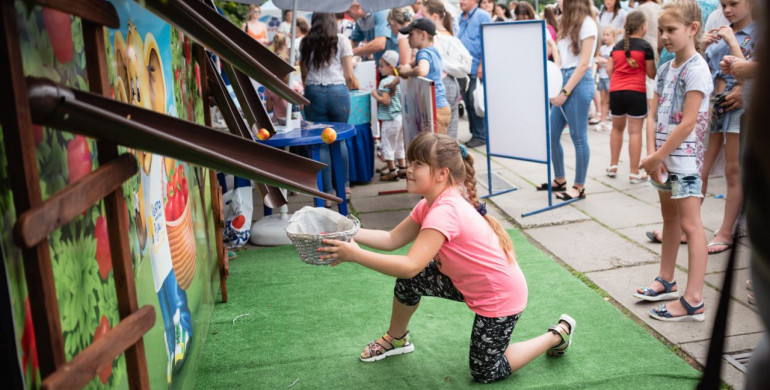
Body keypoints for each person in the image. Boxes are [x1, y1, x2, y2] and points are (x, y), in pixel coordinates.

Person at [318, 132, 576, 384]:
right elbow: (391, 240)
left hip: (498, 296)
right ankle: (396, 339)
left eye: (418, 164)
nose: (409, 169)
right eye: (410, 162)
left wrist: (356, 255)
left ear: (442, 173)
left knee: (485, 371)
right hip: (467, 283)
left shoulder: (445, 211)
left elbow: (409, 266)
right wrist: (349, 231)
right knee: (413, 280)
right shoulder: (429, 203)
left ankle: (557, 335)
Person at [636, 0, 713, 322]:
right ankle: (666, 278)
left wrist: (657, 155)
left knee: (692, 226)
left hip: (684, 163)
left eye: (672, 30)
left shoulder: (697, 69)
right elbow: (655, 112)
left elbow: (688, 122)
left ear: (692, 29)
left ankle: (693, 298)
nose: (664, 36)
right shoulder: (667, 68)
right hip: (664, 162)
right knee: (669, 219)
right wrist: (654, 155)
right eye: (662, 30)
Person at [700, 0, 755, 255]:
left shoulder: (757, 31)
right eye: (724, 4)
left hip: (740, 107)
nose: (727, 9)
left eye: (734, 3)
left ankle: (726, 231)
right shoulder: (720, 29)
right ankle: (686, 224)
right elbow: (706, 70)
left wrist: (732, 41)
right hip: (715, 105)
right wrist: (701, 47)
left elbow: (750, 73)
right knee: (700, 166)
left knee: (734, 171)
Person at [536, 0, 597, 201]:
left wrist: (564, 91)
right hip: (564, 79)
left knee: (578, 137)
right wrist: (556, 86)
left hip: (578, 83)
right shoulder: (566, 22)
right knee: (551, 134)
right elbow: (561, 58)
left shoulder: (587, 23)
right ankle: (560, 179)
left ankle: (579, 186)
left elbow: (584, 64)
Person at [299, 13, 358, 203]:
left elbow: (304, 73)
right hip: (338, 92)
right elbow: (349, 75)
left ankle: (327, 192)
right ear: (332, 21)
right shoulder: (341, 40)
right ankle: (345, 187)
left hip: (314, 91)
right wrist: (348, 89)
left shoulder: (305, 42)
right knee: (339, 140)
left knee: (321, 141)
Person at [606, 11, 656, 183]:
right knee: (634, 132)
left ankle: (613, 165)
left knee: (616, 129)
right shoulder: (645, 47)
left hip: (616, 92)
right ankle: (634, 173)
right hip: (636, 92)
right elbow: (651, 74)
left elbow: (609, 70)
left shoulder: (616, 46)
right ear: (643, 27)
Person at [422, 0, 472, 140]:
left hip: (443, 84)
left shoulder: (436, 38)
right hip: (453, 83)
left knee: (441, 136)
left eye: (423, 14)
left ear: (434, 16)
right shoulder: (449, 35)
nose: (420, 17)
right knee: (451, 133)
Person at [397, 18, 451, 134]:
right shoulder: (432, 51)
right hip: (440, 107)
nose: (407, 38)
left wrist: (406, 73)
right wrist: (395, 80)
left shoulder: (423, 53)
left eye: (411, 34)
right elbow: (409, 66)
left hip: (435, 109)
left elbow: (422, 70)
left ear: (423, 35)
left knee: (435, 148)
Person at [458, 0, 492, 148]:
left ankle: (481, 135)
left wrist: (482, 64)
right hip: (464, 69)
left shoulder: (482, 16)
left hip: (475, 67)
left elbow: (489, 41)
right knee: (469, 102)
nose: (461, 1)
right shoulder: (461, 17)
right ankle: (475, 133)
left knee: (475, 102)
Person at [372, 51, 405, 181]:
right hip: (400, 118)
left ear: (390, 67)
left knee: (387, 145)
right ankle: (402, 168)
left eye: (381, 66)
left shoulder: (385, 81)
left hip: (390, 119)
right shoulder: (400, 80)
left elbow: (386, 101)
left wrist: (375, 95)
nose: (380, 69)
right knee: (399, 144)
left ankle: (392, 171)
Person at [595, 26, 617, 132]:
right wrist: (598, 61)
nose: (605, 37)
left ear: (614, 36)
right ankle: (603, 121)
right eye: (604, 35)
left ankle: (612, 121)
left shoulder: (615, 48)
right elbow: (598, 60)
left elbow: (615, 63)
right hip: (602, 77)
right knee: (603, 100)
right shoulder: (602, 48)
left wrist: (604, 61)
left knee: (611, 101)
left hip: (611, 77)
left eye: (608, 35)